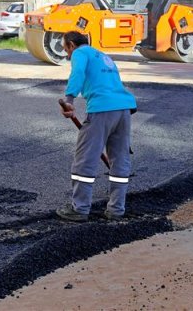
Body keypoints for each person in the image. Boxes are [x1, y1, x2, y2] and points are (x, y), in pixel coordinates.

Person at [56, 31, 137, 222]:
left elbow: (77, 73)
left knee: (85, 159)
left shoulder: (80, 53)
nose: (66, 54)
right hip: (124, 110)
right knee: (120, 160)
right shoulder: (102, 56)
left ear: (72, 45)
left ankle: (80, 209)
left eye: (65, 48)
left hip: (102, 110)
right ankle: (116, 209)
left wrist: (69, 99)